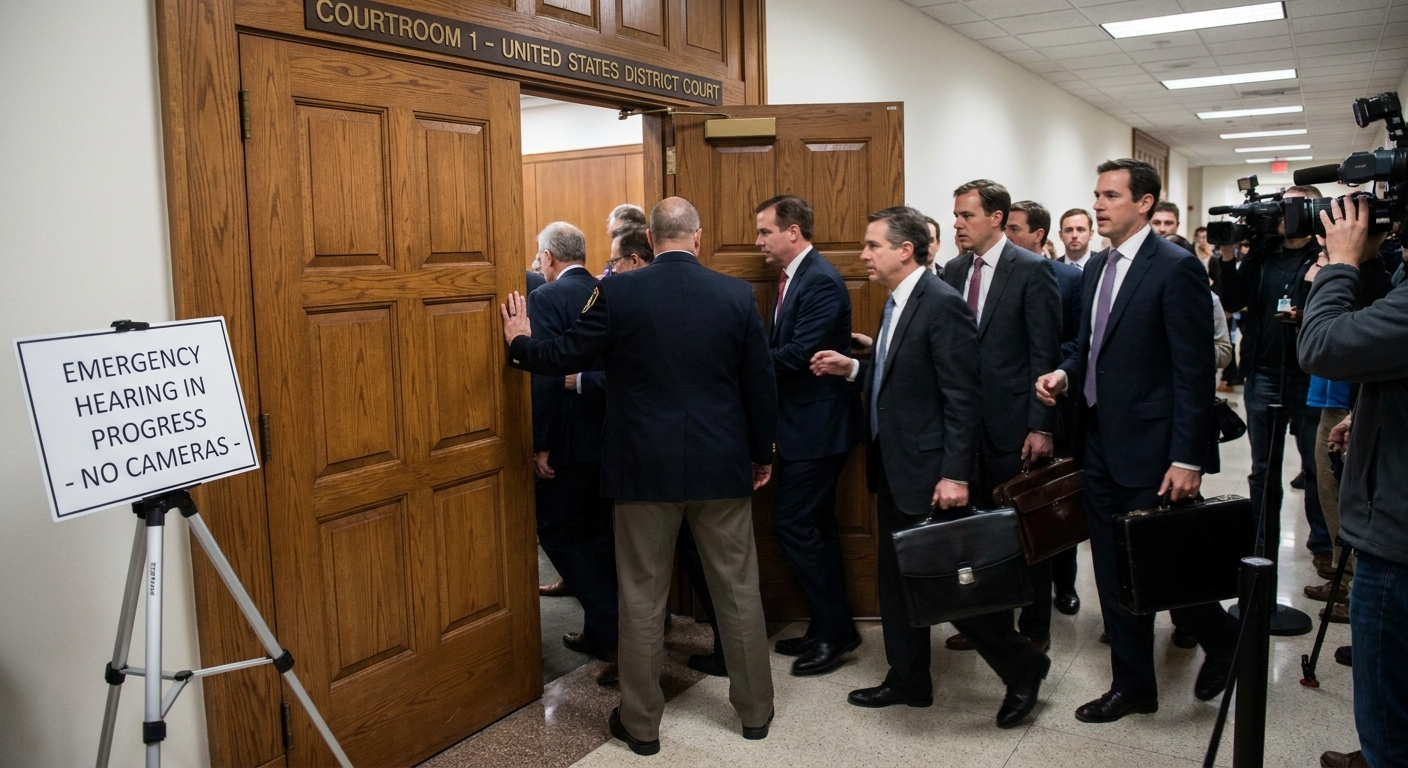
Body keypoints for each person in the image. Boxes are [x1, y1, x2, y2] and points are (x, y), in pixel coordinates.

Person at [501, 197, 777, 756]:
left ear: (649, 238)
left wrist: (519, 343)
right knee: (738, 589)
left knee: (642, 595)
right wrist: (762, 452)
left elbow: (566, 355)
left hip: (639, 470)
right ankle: (755, 713)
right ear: (696, 237)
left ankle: (642, 725)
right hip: (720, 465)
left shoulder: (620, 291)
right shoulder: (733, 294)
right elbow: (759, 383)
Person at [811, 205, 1051, 730]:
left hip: (929, 471)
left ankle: (1023, 665)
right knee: (898, 581)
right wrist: (857, 368)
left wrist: (956, 474)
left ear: (904, 249)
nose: (862, 255)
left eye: (872, 245)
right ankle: (909, 679)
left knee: (953, 583)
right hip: (896, 465)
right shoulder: (897, 301)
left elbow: (963, 397)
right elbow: (904, 375)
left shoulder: (941, 303)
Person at [1036, 158, 1235, 723]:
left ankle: (1223, 636)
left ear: (1144, 203)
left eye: (1110, 196)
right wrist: (1065, 375)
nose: (1098, 205)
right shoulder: (1098, 267)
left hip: (1154, 446)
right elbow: (1087, 346)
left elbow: (1194, 371)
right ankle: (1134, 686)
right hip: (1096, 438)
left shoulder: (1175, 268)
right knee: (1113, 566)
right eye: (1096, 195)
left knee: (1162, 564)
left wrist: (1186, 457)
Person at [1300, 194, 1408, 768]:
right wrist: (1369, 409)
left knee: (1388, 700)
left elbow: (1323, 346)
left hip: (1397, 537)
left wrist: (1340, 265)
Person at [938, 189, 1061, 659]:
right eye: (955, 216)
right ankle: (986, 624)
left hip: (1014, 425)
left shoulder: (1032, 270)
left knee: (1022, 529)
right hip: (964, 426)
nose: (958, 225)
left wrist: (1041, 424)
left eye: (966, 216)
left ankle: (1033, 626)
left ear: (996, 217)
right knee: (975, 533)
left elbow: (1043, 352)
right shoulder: (953, 271)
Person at [755, 195, 862, 675]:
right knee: (813, 528)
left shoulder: (819, 280)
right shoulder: (795, 277)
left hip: (819, 427)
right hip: (803, 426)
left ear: (792, 231)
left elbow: (799, 354)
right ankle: (831, 627)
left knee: (796, 526)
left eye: (764, 232)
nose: (758, 241)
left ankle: (835, 631)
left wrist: (741, 367)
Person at [1218, 185, 1334, 576]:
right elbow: (1232, 299)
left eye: (1293, 206)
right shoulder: (1262, 255)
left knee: (1317, 466)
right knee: (1262, 468)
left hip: (1309, 374)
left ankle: (1323, 545)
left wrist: (1310, 315)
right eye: (1281, 206)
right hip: (1263, 372)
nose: (1284, 214)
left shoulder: (1325, 255)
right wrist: (1232, 253)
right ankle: (1259, 543)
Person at [525, 222, 620, 684]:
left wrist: (540, 443)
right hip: (608, 436)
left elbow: (545, 371)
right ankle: (600, 634)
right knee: (599, 538)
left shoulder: (545, 298)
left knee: (558, 532)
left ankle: (616, 630)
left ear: (547, 258)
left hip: (566, 440)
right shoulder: (608, 290)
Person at [1002, 199, 1083, 618]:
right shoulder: (993, 275)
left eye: (1014, 228)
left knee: (1051, 501)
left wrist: (1049, 367)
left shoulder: (1068, 278)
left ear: (1038, 235)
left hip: (1052, 401)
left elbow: (1075, 342)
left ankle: (1064, 586)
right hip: (1005, 410)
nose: (1007, 234)